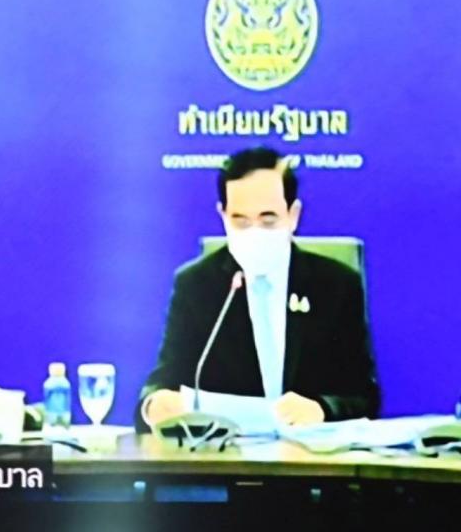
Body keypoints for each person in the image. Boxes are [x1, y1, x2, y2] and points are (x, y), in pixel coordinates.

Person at [136, 147, 379, 431]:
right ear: (223, 215)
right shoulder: (196, 285)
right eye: (240, 220)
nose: (254, 232)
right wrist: (154, 404)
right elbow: (164, 380)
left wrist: (322, 409)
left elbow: (365, 397)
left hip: (309, 455)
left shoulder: (336, 285)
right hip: (227, 454)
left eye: (268, 219)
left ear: (293, 215)